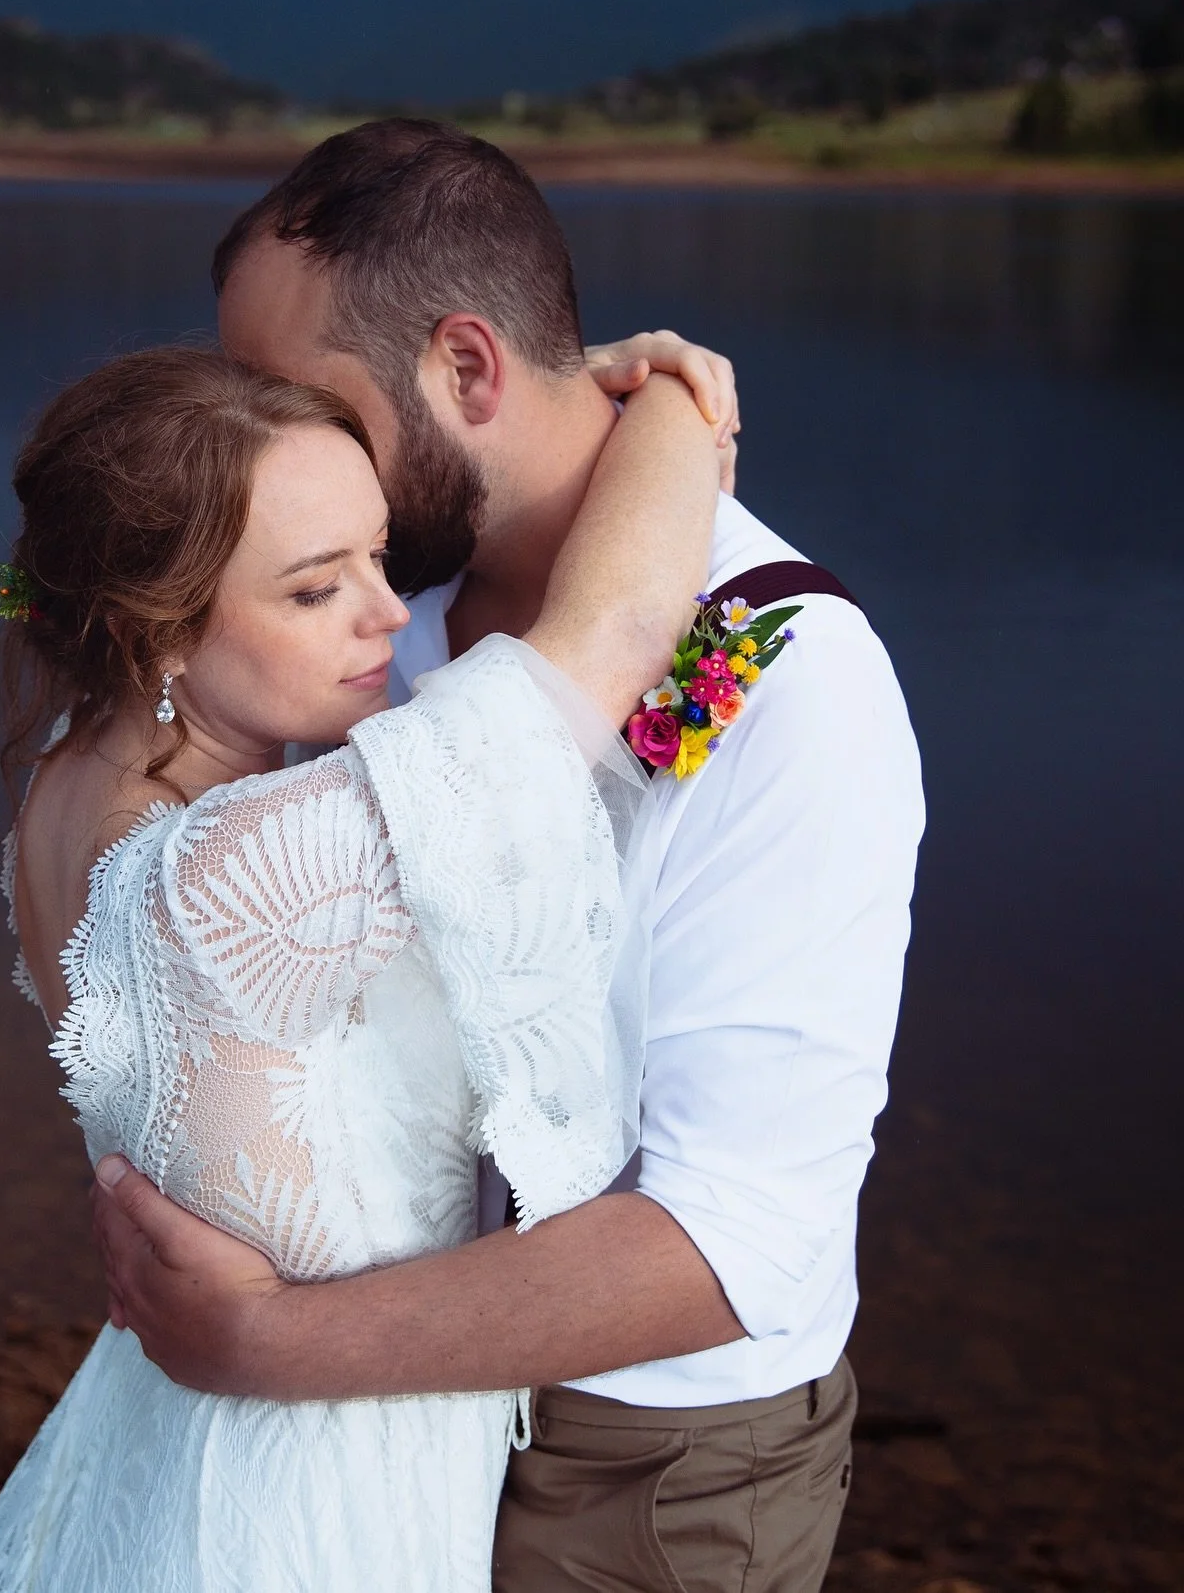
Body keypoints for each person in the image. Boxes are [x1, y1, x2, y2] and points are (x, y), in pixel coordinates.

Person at [93, 120, 927, 1593]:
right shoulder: (362, 628)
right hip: (386, 1431)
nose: (265, 452)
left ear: (470, 368)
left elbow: (739, 1238)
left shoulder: (789, 677)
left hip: (646, 1466)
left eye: (303, 403)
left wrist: (266, 1339)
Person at [0, 345, 721, 1591]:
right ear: (155, 628)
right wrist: (676, 395)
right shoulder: (234, 875)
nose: (390, 614)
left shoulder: (71, 772)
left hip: (165, 1430)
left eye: (380, 555)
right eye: (315, 589)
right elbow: (623, 626)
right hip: (310, 1486)